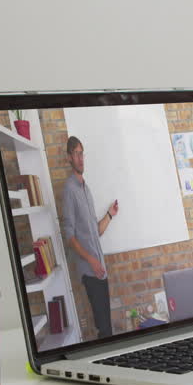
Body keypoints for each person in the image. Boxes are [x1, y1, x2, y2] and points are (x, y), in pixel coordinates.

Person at [60, 136, 119, 338]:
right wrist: (91, 260)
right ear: (69, 158)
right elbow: (69, 236)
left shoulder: (87, 189)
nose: (80, 158)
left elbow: (95, 231)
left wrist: (110, 214)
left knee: (107, 327)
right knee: (103, 329)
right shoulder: (69, 189)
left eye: (82, 153)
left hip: (100, 269)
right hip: (90, 270)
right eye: (76, 154)